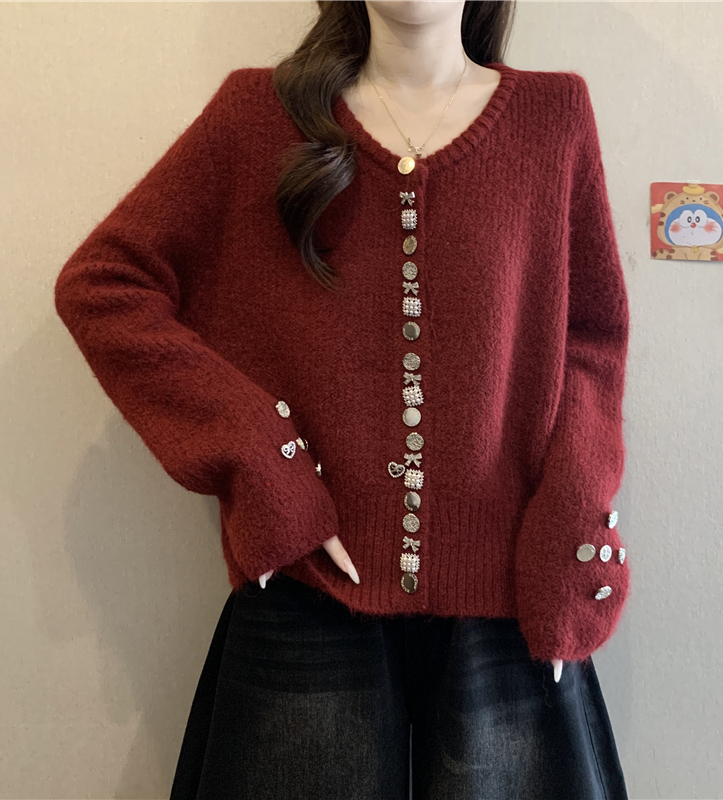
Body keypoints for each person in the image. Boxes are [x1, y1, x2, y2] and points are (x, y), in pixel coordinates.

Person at [53, 1, 632, 797]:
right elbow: (104, 286)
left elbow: (591, 341)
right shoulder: (256, 115)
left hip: (508, 602)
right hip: (308, 592)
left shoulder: (552, 117)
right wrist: (261, 458)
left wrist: (571, 515)